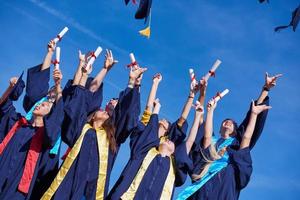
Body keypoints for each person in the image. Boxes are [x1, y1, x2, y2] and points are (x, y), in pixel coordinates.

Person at [41, 51, 147, 200]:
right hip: (67, 186)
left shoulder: (112, 136)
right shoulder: (81, 128)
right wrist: (84, 75)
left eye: (108, 113)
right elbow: (76, 107)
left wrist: (132, 83)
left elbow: (128, 114)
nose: (104, 110)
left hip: (91, 192)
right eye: (100, 110)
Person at [177, 72, 281, 200]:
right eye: (225, 121)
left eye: (231, 123)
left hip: (224, 185)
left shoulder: (237, 143)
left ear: (236, 130)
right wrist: (204, 95)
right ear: (220, 130)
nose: (227, 122)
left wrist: (265, 89)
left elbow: (251, 122)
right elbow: (202, 123)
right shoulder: (212, 142)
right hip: (201, 187)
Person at [107, 74, 206, 200]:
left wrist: (192, 96)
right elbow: (148, 109)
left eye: (166, 123)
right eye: (161, 119)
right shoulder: (145, 145)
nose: (163, 120)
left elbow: (184, 124)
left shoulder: (171, 151)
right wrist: (155, 84)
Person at [0, 66, 64, 200]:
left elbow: (56, 122)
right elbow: (4, 106)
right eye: (40, 103)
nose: (39, 104)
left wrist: (58, 86)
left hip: (17, 187)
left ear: (50, 114)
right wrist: (11, 87)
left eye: (45, 105)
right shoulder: (19, 124)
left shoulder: (46, 139)